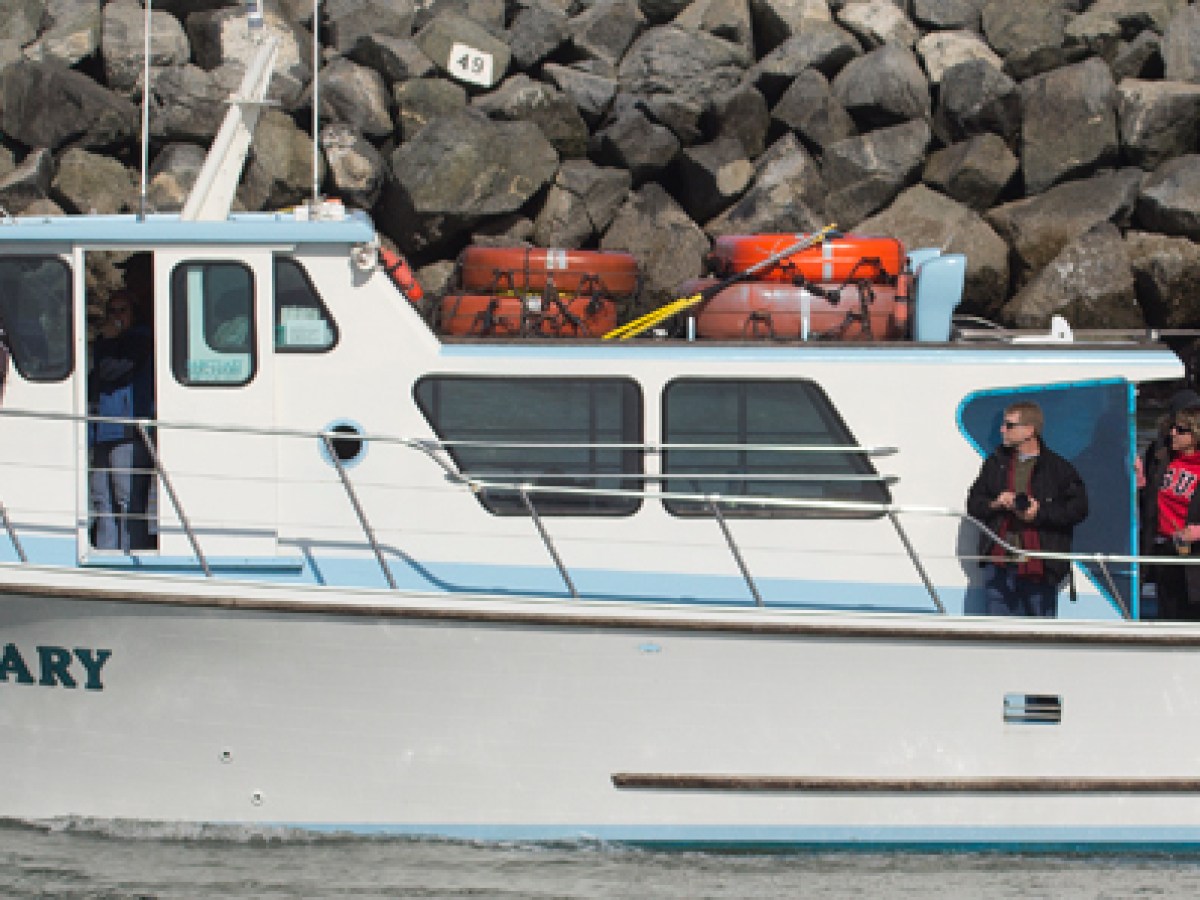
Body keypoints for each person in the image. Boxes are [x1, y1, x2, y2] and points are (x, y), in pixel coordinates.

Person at [966, 400, 1089, 617]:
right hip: (1000, 564)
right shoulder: (995, 463)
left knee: (1041, 633)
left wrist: (1039, 513)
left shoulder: (1059, 468)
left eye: (1009, 425)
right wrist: (996, 503)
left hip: (1039, 565)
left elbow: (1078, 509)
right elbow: (974, 504)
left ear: (1029, 430)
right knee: (998, 633)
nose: (1002, 429)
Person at [89, 290, 154, 551]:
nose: (116, 317)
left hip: (127, 430)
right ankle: (105, 551)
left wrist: (109, 340)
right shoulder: (109, 342)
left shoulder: (141, 339)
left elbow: (112, 369)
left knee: (127, 497)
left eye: (122, 310)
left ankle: (131, 551)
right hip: (103, 428)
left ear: (133, 314)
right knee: (101, 495)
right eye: (112, 311)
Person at [1148, 406, 1200, 619]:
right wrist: (1141, 483)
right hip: (1164, 548)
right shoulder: (1163, 459)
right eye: (1172, 428)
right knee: (1166, 612)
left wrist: (1197, 533)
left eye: (1180, 430)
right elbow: (1149, 500)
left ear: (1195, 435)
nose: (1173, 434)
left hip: (1193, 555)